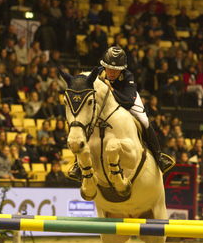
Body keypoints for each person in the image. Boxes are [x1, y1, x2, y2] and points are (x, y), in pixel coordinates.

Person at [69, 46, 175, 180]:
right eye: (109, 68)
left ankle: (159, 156)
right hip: (106, 106)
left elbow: (128, 100)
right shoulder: (97, 74)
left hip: (127, 99)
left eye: (116, 70)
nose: (112, 72)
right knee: (86, 123)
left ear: (122, 69)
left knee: (144, 120)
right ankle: (77, 165)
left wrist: (110, 89)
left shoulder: (128, 76)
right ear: (103, 66)